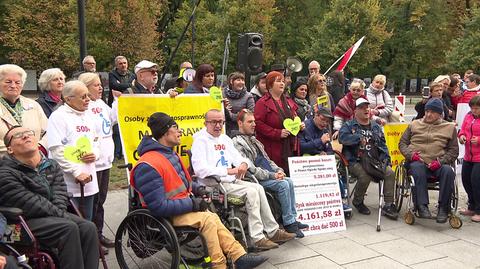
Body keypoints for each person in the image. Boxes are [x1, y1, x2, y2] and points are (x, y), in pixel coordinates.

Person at [132, 112, 267, 269]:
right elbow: (158, 207)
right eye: (176, 128)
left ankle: (238, 256)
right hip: (167, 216)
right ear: (164, 131)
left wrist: (199, 189)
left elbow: (183, 183)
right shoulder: (148, 165)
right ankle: (220, 264)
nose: (180, 131)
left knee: (212, 217)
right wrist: (193, 204)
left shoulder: (169, 155)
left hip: (179, 207)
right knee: (208, 219)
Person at [191, 109, 296, 251]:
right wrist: (229, 170)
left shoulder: (225, 139)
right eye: (214, 122)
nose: (218, 125)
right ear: (205, 123)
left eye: (221, 122)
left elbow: (240, 158)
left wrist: (243, 164)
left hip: (230, 181)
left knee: (258, 188)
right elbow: (200, 169)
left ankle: (273, 231)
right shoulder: (199, 141)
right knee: (251, 192)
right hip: (214, 185)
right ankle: (257, 238)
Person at [0, 126, 99, 269]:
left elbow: (60, 193)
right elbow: (30, 203)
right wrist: (60, 214)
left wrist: (59, 212)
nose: (26, 136)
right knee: (68, 228)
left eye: (29, 133)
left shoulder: (51, 165)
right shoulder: (5, 173)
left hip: (53, 215)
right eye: (18, 135)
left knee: (88, 227)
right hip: (23, 220)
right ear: (10, 149)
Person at [232, 109, 308, 238]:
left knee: (288, 181)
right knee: (283, 184)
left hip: (266, 173)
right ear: (240, 123)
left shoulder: (254, 140)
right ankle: (289, 224)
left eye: (254, 121)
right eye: (250, 122)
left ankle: (292, 219)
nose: (254, 124)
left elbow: (267, 160)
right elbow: (251, 169)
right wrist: (272, 175)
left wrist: (278, 170)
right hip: (253, 179)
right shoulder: (236, 143)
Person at [399, 98, 458, 223]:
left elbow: (453, 151)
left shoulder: (449, 127)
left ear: (440, 113)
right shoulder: (414, 124)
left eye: (432, 112)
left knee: (448, 171)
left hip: (438, 163)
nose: (428, 114)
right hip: (417, 162)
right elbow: (402, 143)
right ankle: (421, 205)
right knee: (417, 167)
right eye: (427, 111)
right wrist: (411, 155)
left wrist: (440, 162)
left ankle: (444, 207)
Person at [47, 81, 99, 221]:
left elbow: (96, 140)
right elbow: (56, 150)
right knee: (74, 223)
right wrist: (76, 172)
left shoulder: (89, 115)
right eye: (83, 97)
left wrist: (95, 154)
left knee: (88, 220)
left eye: (88, 95)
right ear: (68, 99)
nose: (88, 99)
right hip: (69, 182)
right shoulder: (58, 117)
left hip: (89, 179)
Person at [338, 98, 398, 219]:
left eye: (367, 107)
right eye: (362, 107)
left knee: (390, 172)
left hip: (374, 160)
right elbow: (342, 138)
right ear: (355, 111)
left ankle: (388, 204)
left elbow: (383, 145)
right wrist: (358, 138)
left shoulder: (375, 126)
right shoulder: (349, 125)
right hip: (354, 160)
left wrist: (386, 160)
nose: (366, 109)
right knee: (365, 175)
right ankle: (358, 201)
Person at [78, 73, 116, 248]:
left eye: (100, 84)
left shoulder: (101, 104)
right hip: (93, 162)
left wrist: (118, 103)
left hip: (106, 161)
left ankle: (98, 234)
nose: (100, 88)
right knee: (92, 203)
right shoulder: (83, 107)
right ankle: (91, 238)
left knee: (101, 200)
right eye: (96, 85)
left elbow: (112, 120)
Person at [254, 71, 301, 174]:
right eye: (278, 81)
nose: (282, 84)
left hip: (289, 146)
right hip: (271, 148)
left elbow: (295, 118)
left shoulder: (289, 101)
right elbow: (258, 124)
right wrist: (277, 133)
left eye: (283, 81)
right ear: (270, 84)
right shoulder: (262, 103)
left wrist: (299, 125)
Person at [0, 64, 48, 157]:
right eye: (8, 82)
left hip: (35, 160)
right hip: (4, 162)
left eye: (18, 82)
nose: (13, 86)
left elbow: (48, 132)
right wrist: (18, 152)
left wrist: (38, 148)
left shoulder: (34, 105)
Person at [458, 95, 480, 222]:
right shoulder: (468, 116)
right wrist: (461, 137)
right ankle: (471, 206)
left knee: (476, 182)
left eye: (477, 108)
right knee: (466, 180)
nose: (474, 111)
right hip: (468, 155)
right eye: (472, 108)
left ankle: (479, 210)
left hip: (479, 157)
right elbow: (463, 130)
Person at [223, 72, 255, 137]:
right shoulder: (222, 94)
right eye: (238, 80)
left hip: (242, 132)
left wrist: (230, 115)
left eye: (242, 80)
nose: (241, 82)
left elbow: (250, 114)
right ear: (231, 81)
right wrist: (224, 108)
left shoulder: (248, 96)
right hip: (225, 130)